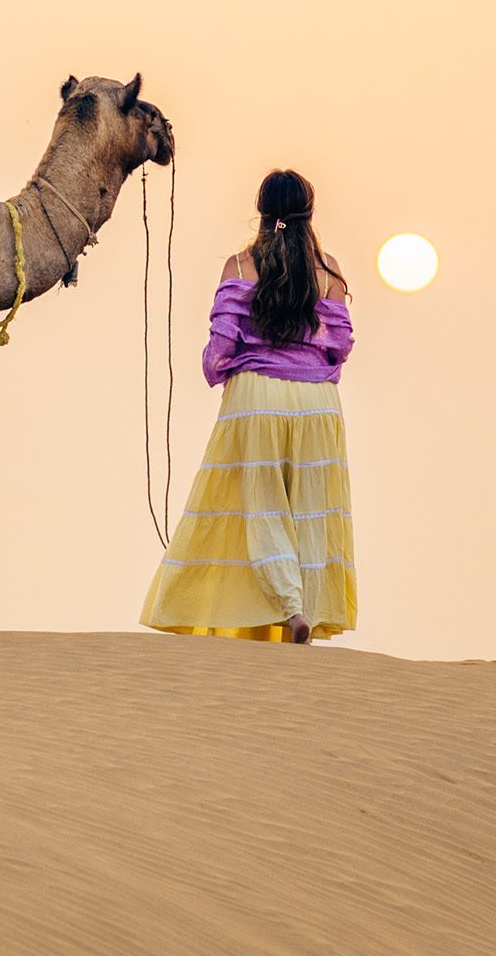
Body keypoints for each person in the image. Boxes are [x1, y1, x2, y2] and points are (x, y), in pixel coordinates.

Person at [140, 169, 357, 644]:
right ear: (309, 211)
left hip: (256, 396)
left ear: (261, 210)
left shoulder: (240, 267)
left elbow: (219, 351)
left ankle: (289, 607)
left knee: (262, 510)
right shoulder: (330, 271)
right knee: (311, 512)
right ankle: (305, 609)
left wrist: (219, 371)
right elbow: (339, 347)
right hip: (318, 403)